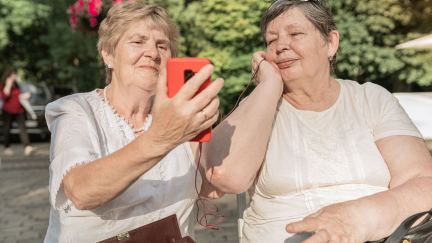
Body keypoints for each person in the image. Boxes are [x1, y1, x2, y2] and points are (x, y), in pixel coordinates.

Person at [204, 0, 432, 242]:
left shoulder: (370, 99)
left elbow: (421, 182)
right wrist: (269, 86)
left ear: (330, 42)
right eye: (271, 40)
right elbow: (222, 175)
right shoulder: (260, 109)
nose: (280, 46)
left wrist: (358, 218)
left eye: (295, 34)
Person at [43, 2, 226, 242]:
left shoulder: (184, 117)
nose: (153, 52)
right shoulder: (76, 110)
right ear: (108, 55)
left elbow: (215, 185)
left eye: (162, 45)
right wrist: (162, 137)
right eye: (138, 42)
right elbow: (81, 191)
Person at [0, 66, 34, 156]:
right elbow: (4, 96)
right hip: (7, 110)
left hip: (19, 110)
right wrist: (8, 85)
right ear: (8, 75)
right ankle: (7, 147)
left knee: (23, 129)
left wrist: (25, 95)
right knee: (7, 129)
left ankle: (27, 147)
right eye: (13, 74)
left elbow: (20, 95)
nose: (14, 76)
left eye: (15, 74)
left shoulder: (17, 84)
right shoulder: (3, 84)